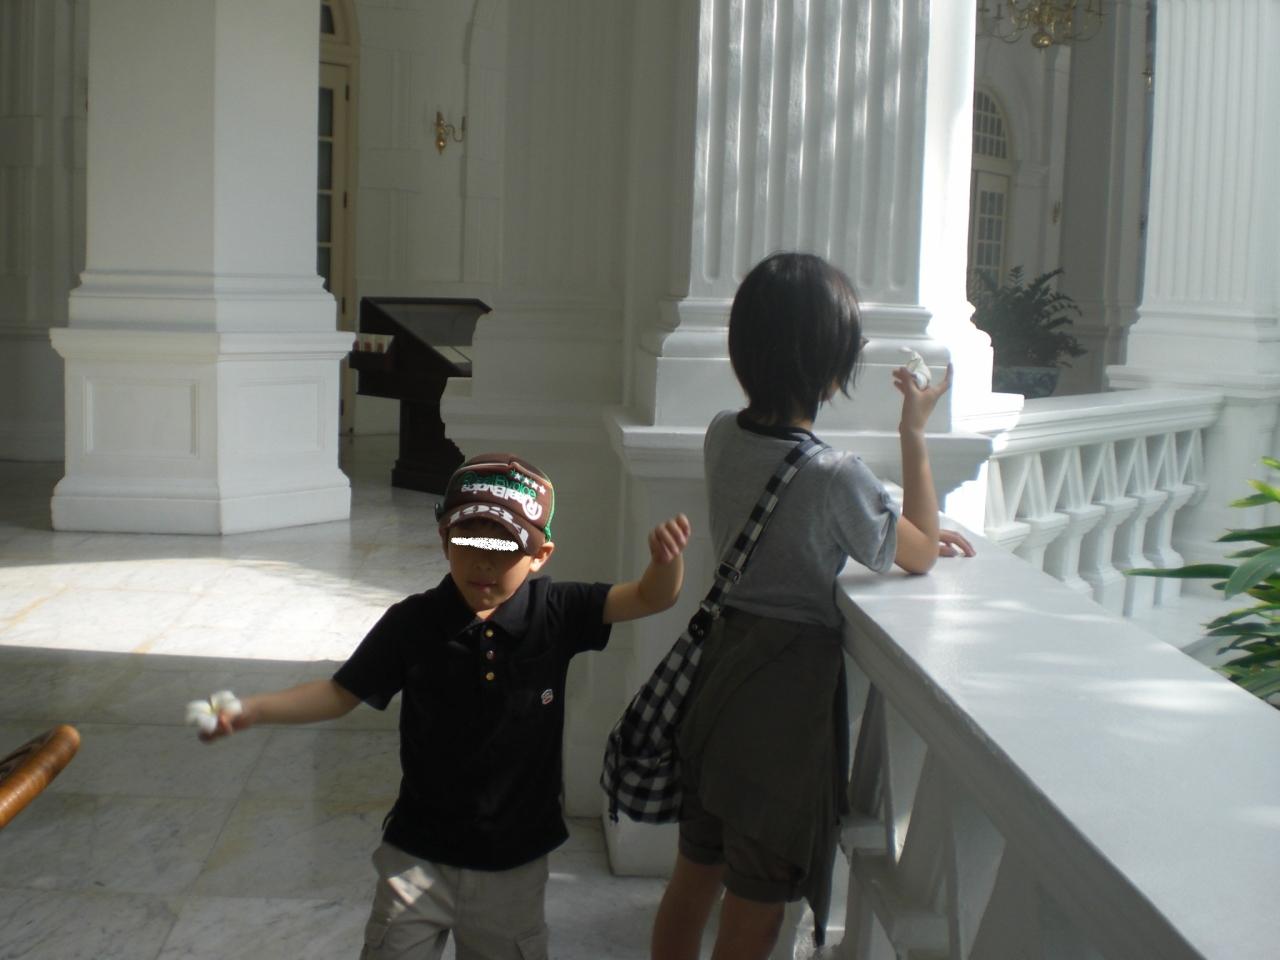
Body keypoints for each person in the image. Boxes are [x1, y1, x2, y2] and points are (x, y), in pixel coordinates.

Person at [197, 453, 692, 960]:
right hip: (417, 854)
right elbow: (340, 693)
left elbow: (649, 598)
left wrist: (666, 563)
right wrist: (255, 709)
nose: (483, 562)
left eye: (503, 546)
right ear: (444, 540)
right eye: (469, 541)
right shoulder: (412, 623)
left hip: (513, 860)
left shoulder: (556, 612)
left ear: (540, 554)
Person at [649, 252, 974, 960]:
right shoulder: (835, 476)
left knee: (693, 878)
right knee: (756, 908)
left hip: (717, 686)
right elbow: (919, 551)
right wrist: (914, 431)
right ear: (831, 368)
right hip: (780, 715)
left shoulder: (722, 435)